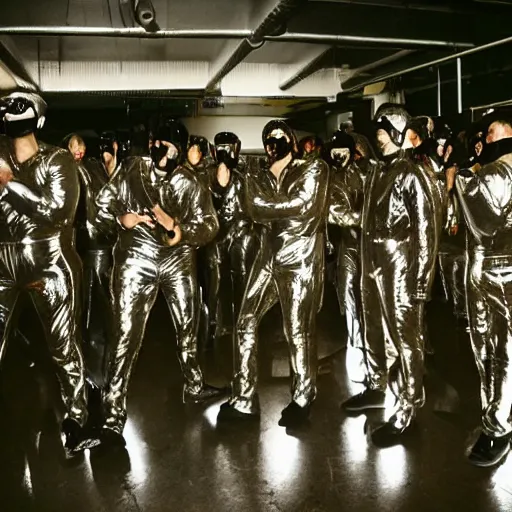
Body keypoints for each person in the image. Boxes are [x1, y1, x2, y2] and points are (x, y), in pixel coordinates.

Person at [96, 117, 225, 446]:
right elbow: (102, 204)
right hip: (136, 259)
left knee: (188, 324)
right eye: (158, 145)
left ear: (180, 152)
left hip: (177, 260)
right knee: (125, 333)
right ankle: (112, 414)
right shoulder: (132, 170)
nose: (162, 152)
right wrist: (121, 218)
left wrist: (179, 229)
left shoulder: (190, 183)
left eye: (171, 148)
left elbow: (210, 225)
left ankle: (194, 384)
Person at [0, 91, 97, 456]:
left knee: (63, 347)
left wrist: (8, 185)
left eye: (21, 105)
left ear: (39, 120)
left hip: (50, 262)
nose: (12, 110)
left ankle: (76, 420)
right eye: (8, 105)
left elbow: (56, 211)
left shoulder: (57, 160)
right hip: (2, 262)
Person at [342, 105, 444, 446]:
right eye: (378, 130)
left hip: (401, 264)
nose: (378, 135)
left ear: (398, 132)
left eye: (384, 129)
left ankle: (407, 409)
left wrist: (421, 281)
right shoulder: (377, 171)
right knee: (372, 327)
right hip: (372, 261)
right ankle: (375, 386)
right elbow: (365, 217)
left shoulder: (413, 173)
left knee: (405, 339)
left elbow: (427, 232)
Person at [218, 119, 329, 427]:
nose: (273, 142)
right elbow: (242, 209)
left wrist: (259, 205)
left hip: (300, 258)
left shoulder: (313, 169)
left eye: (280, 136)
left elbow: (303, 207)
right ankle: (243, 399)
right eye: (268, 138)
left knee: (298, 330)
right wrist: (235, 182)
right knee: (245, 320)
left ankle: (303, 398)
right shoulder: (260, 176)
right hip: (268, 254)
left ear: (291, 140)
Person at [455, 109, 512, 467]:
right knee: (498, 351)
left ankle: (498, 427)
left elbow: (483, 219)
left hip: (499, 273)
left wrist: (463, 175)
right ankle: (499, 416)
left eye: (490, 132)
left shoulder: (498, 172)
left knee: (498, 353)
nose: (485, 139)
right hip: (493, 271)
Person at [327, 130, 370, 382]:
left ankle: (367, 351)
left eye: (342, 151)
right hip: (345, 245)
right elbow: (329, 212)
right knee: (347, 295)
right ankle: (355, 346)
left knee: (363, 297)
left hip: (364, 246)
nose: (337, 156)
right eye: (334, 152)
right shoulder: (330, 178)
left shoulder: (365, 175)